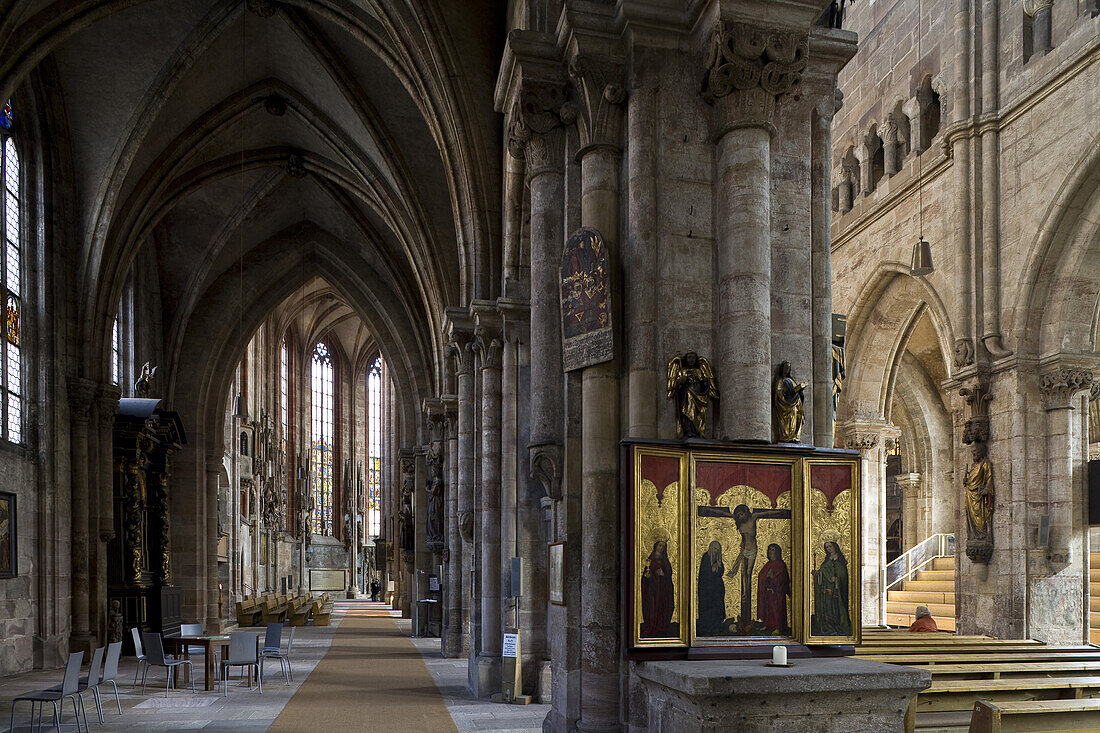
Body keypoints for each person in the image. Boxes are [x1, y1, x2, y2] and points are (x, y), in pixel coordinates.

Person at [698, 503, 791, 631]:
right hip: (744, 550)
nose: (740, 516)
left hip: (752, 549)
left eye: (742, 513)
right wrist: (708, 509)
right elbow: (724, 513)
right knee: (743, 574)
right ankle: (744, 595)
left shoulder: (753, 517)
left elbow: (765, 513)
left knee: (748, 573)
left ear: (746, 512)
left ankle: (746, 593)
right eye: (738, 514)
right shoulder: (738, 521)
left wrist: (781, 513)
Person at [811, 540, 852, 636]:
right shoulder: (827, 560)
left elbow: (843, 573)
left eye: (830, 546)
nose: (829, 549)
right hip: (827, 590)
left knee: (836, 608)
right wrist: (818, 574)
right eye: (827, 547)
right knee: (828, 608)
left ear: (835, 547)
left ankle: (838, 626)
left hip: (837, 590)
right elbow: (823, 572)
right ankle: (828, 626)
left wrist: (837, 579)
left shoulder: (840, 561)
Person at [640, 540, 675, 638]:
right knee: (652, 607)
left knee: (663, 608)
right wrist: (647, 577)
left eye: (663, 546)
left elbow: (669, 574)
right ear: (655, 546)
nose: (661, 548)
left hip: (663, 590)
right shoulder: (650, 560)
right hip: (653, 591)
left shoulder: (665, 561)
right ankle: (652, 627)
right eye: (660, 546)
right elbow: (646, 575)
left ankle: (662, 628)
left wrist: (663, 574)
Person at [757, 544, 791, 634]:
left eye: (772, 550)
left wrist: (773, 578)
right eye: (769, 550)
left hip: (777, 593)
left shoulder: (780, 565)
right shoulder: (768, 565)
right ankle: (768, 625)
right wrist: (765, 577)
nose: (770, 552)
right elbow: (761, 576)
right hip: (768, 592)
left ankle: (778, 627)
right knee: (768, 609)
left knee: (776, 609)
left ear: (777, 552)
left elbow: (783, 579)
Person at [696, 540, 726, 636]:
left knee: (716, 609)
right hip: (707, 590)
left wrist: (718, 567)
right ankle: (707, 628)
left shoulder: (717, 559)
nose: (716, 551)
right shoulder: (706, 557)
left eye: (718, 549)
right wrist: (712, 569)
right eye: (715, 549)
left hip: (716, 590)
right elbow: (704, 574)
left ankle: (716, 627)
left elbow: (721, 572)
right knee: (708, 609)